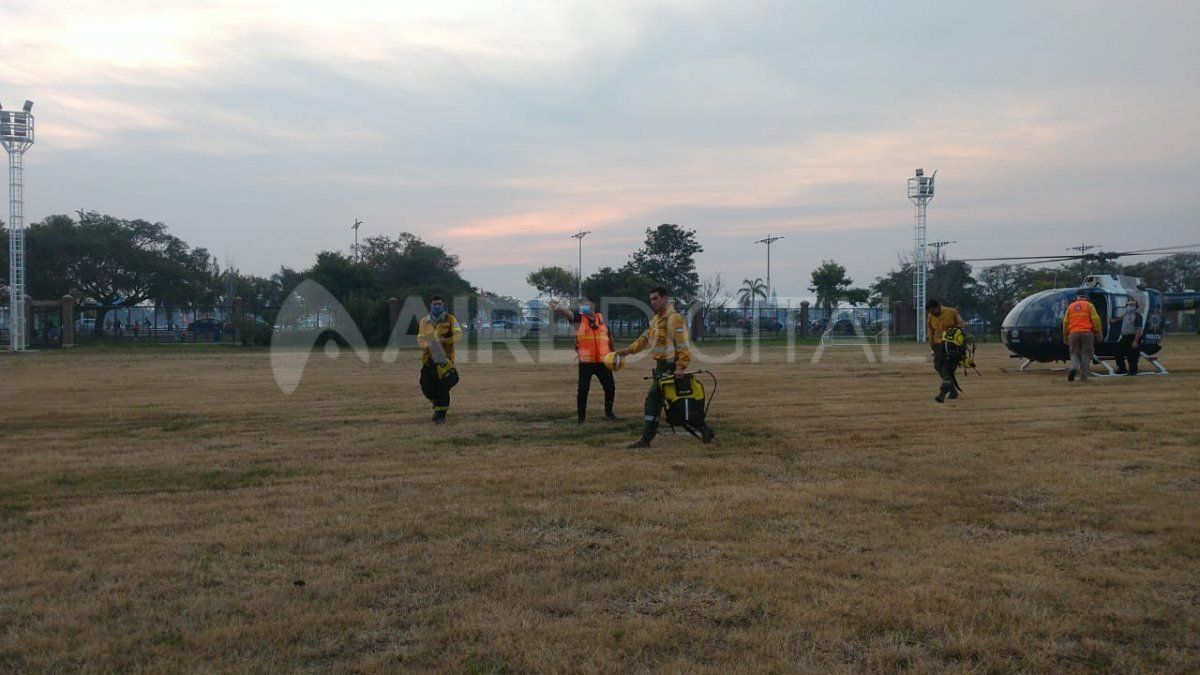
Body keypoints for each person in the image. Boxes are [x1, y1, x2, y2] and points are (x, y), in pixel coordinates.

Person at [617, 286, 715, 448]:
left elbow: (683, 344)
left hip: (671, 367)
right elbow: (645, 338)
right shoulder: (656, 320)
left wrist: (681, 367)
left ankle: (646, 439)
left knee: (653, 401)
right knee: (676, 402)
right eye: (651, 299)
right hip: (661, 367)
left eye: (655, 298)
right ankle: (704, 430)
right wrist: (628, 351)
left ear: (665, 299)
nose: (652, 302)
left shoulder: (675, 319)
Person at [550, 297, 618, 424]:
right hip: (586, 362)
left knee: (610, 388)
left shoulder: (601, 319)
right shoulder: (579, 318)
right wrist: (558, 307)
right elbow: (567, 313)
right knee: (583, 390)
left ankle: (609, 412)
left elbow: (609, 337)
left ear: (593, 304)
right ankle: (581, 418)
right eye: (581, 305)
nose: (582, 306)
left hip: (603, 361)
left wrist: (614, 354)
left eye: (585, 303)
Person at [418, 295, 463, 423]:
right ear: (430, 305)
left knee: (442, 386)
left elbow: (458, 335)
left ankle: (440, 415)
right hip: (429, 358)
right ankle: (436, 402)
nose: (437, 306)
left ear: (443, 304)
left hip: (445, 359)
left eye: (439, 304)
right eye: (434, 304)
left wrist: (446, 340)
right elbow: (420, 339)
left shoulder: (451, 319)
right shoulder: (424, 322)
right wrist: (428, 344)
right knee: (425, 385)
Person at [926, 298, 965, 403]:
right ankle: (953, 391)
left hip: (952, 345)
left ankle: (942, 394)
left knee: (947, 369)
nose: (931, 313)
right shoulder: (931, 316)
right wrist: (931, 342)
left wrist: (952, 331)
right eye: (930, 312)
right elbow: (930, 328)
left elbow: (962, 324)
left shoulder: (952, 312)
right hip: (937, 345)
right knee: (938, 366)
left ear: (938, 307)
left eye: (932, 311)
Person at [1062, 290, 1103, 382]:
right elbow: (1096, 319)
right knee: (1086, 354)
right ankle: (1084, 377)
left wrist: (1065, 335)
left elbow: (1065, 322)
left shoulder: (1070, 306)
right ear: (1085, 296)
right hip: (1087, 333)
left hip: (1073, 333)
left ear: (1077, 297)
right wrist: (1099, 332)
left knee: (1074, 353)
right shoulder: (1089, 305)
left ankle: (1074, 368)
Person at [1109, 298, 1144, 376]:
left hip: (1133, 337)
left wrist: (1135, 341)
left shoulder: (1137, 316)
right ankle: (1122, 369)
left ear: (1136, 306)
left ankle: (1133, 371)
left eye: (1132, 305)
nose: (1130, 306)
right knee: (1118, 352)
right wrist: (1114, 321)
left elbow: (1139, 329)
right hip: (1124, 337)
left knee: (1132, 355)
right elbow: (1121, 318)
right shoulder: (1126, 314)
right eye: (1128, 305)